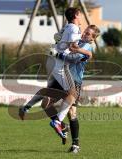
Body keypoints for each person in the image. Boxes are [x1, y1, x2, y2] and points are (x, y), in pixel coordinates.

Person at [19, 7, 91, 138]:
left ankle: (27, 107)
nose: (81, 18)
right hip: (59, 63)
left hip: (51, 60)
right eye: (80, 15)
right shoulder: (74, 28)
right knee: (73, 94)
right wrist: (86, 52)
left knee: (49, 91)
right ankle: (58, 121)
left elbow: (57, 37)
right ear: (75, 15)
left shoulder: (67, 27)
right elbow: (72, 47)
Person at [48, 25, 100, 153]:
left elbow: (73, 59)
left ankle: (75, 144)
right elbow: (66, 49)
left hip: (74, 79)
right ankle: (62, 126)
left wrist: (57, 55)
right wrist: (59, 41)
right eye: (85, 31)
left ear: (92, 38)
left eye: (88, 34)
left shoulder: (87, 46)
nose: (84, 34)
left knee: (72, 112)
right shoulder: (77, 41)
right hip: (62, 76)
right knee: (46, 103)